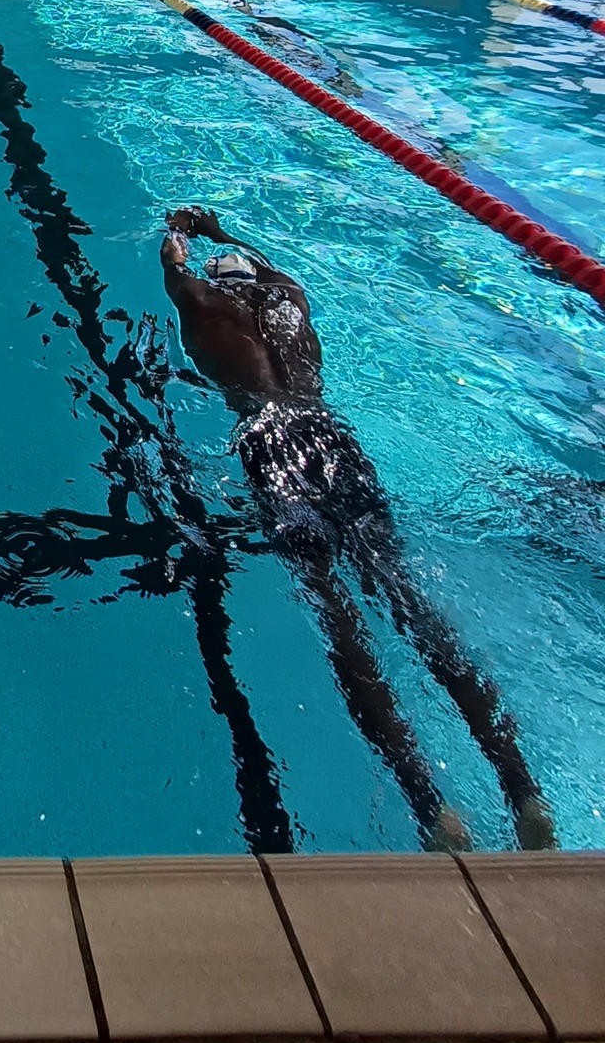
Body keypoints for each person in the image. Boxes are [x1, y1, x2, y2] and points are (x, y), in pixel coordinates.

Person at [160, 206, 555, 851]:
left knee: (336, 614)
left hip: (272, 445)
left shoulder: (200, 301)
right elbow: (252, 255)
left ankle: (434, 811)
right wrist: (222, 230)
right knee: (410, 602)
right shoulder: (290, 294)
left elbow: (171, 265)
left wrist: (178, 239)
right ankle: (524, 791)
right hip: (332, 437)